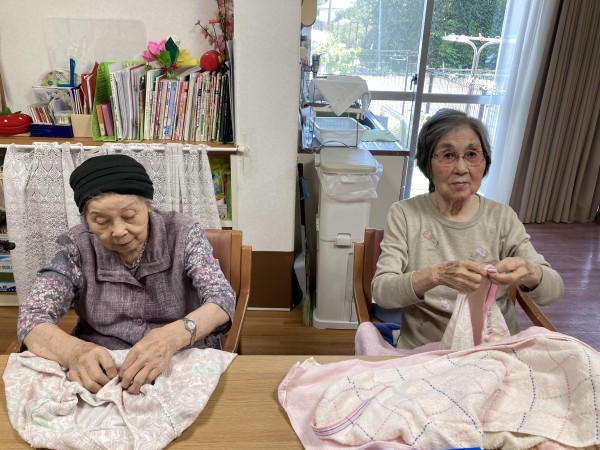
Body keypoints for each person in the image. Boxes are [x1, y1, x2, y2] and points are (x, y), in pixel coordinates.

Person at [17, 154, 236, 394]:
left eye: (130, 216)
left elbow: (221, 297)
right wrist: (74, 352)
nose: (119, 231)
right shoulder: (76, 246)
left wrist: (172, 337)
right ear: (87, 221)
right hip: (102, 368)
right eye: (101, 221)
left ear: (148, 207)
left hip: (180, 356)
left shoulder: (183, 233)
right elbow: (32, 317)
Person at [372, 108, 564, 349]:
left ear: (485, 161)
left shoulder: (502, 217)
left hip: (493, 349)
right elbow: (383, 293)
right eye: (448, 155)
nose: (462, 168)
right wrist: (436, 275)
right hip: (426, 351)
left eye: (472, 154)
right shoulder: (405, 214)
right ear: (427, 162)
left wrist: (530, 271)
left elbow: (552, 291)